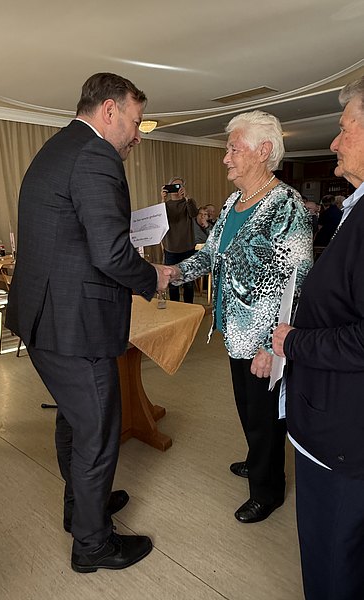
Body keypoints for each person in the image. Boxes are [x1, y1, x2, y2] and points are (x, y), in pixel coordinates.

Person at [6, 73, 171, 573]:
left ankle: (80, 508)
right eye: (136, 122)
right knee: (97, 430)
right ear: (109, 111)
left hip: (45, 317)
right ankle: (93, 545)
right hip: (75, 324)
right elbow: (111, 253)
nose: (138, 135)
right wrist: (153, 276)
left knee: (74, 420)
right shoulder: (97, 155)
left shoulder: (57, 147)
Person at [167, 111, 312, 523]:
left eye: (233, 148)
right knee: (248, 408)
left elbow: (298, 283)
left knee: (265, 418)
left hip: (265, 339)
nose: (226, 157)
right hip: (235, 331)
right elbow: (211, 256)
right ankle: (257, 459)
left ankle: (268, 491)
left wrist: (272, 346)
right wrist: (173, 273)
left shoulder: (286, 206)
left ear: (263, 151)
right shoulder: (234, 202)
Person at [273, 76, 364, 600]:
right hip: (335, 420)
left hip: (345, 438)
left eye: (344, 128)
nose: (333, 142)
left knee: (334, 559)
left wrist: (293, 343)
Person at [161, 177, 198, 303]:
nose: (177, 190)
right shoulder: (165, 205)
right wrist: (163, 199)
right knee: (172, 282)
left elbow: (194, 214)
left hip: (188, 248)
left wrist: (187, 197)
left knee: (189, 282)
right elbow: (161, 220)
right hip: (171, 248)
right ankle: (175, 308)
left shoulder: (188, 202)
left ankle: (189, 308)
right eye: (174, 187)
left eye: (180, 186)